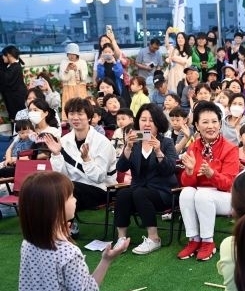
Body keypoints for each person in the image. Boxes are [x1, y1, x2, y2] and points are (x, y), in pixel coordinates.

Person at [44, 98, 117, 236]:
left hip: (101, 190)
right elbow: (61, 176)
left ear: (89, 117)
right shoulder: (64, 141)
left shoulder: (102, 142)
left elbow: (99, 177)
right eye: (72, 114)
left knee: (66, 188)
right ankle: (59, 227)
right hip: (72, 189)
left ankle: (64, 228)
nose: (75, 118)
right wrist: (57, 154)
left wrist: (87, 160)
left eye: (80, 114)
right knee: (52, 186)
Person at [177, 101, 239, 261]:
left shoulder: (230, 148)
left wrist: (212, 174)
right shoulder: (194, 147)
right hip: (200, 195)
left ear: (220, 124)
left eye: (214, 121)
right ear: (197, 126)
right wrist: (189, 172)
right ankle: (194, 239)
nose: (210, 126)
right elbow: (186, 183)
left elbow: (229, 184)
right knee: (186, 192)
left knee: (202, 195)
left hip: (226, 197)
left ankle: (207, 241)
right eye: (205, 122)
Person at [113, 103, 178, 255]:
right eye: (143, 120)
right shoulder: (135, 142)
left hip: (161, 192)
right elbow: (121, 167)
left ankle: (154, 238)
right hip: (138, 189)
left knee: (140, 193)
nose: (147, 124)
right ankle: (121, 239)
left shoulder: (166, 142)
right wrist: (128, 148)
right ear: (138, 122)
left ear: (158, 123)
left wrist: (158, 151)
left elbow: (170, 170)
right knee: (123, 194)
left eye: (151, 120)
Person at [59, 43, 89, 121]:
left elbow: (84, 77)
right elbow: (62, 78)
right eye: (69, 54)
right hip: (68, 88)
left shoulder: (82, 62)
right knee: (69, 107)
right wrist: (67, 69)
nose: (71, 56)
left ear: (77, 54)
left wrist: (77, 69)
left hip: (80, 88)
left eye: (73, 54)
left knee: (81, 107)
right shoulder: (64, 62)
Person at [0, 45, 27, 121]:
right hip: (13, 100)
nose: (2, 57)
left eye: (3, 55)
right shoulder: (12, 65)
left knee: (19, 121)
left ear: (9, 55)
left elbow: (5, 79)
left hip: (16, 101)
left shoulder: (15, 67)